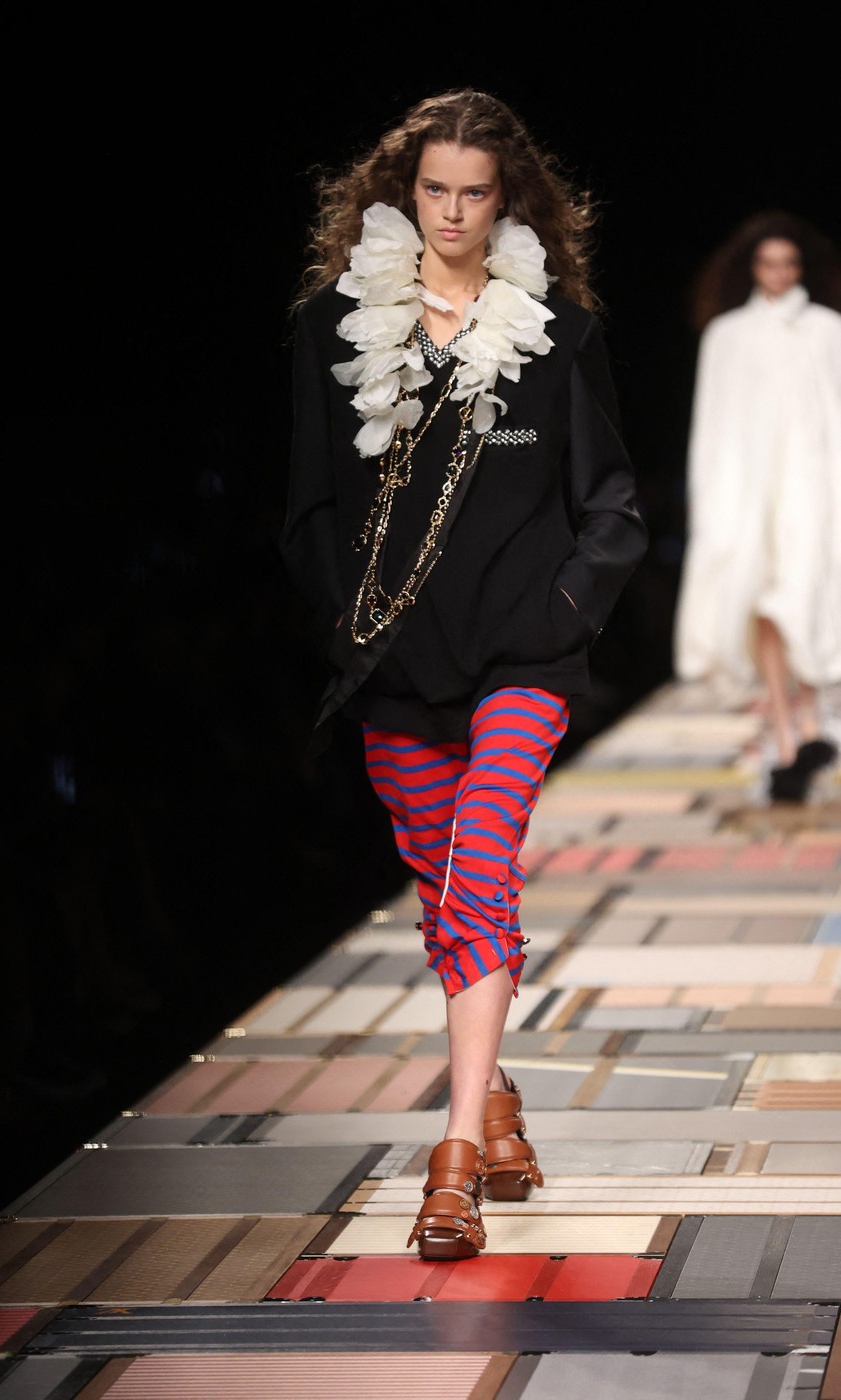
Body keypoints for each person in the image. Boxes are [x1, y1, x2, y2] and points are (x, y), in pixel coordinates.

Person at [280, 88, 647, 1260]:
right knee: (451, 900)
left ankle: (448, 1167)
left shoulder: (558, 334)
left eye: (473, 193)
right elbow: (307, 508)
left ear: (508, 200)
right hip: (396, 658)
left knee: (481, 866)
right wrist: (346, 626)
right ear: (402, 193)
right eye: (432, 189)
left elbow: (615, 507)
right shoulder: (332, 328)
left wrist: (566, 605)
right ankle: (493, 1103)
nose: (450, 212)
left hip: (524, 659)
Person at [673, 210, 841, 802]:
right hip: (746, 492)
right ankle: (790, 740)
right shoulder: (727, 337)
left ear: (803, 268)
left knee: (806, 597)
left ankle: (813, 725)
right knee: (764, 604)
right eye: (768, 263)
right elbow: (711, 427)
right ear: (751, 268)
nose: (777, 273)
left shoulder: (828, 330)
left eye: (787, 263)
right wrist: (711, 502)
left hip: (813, 491)